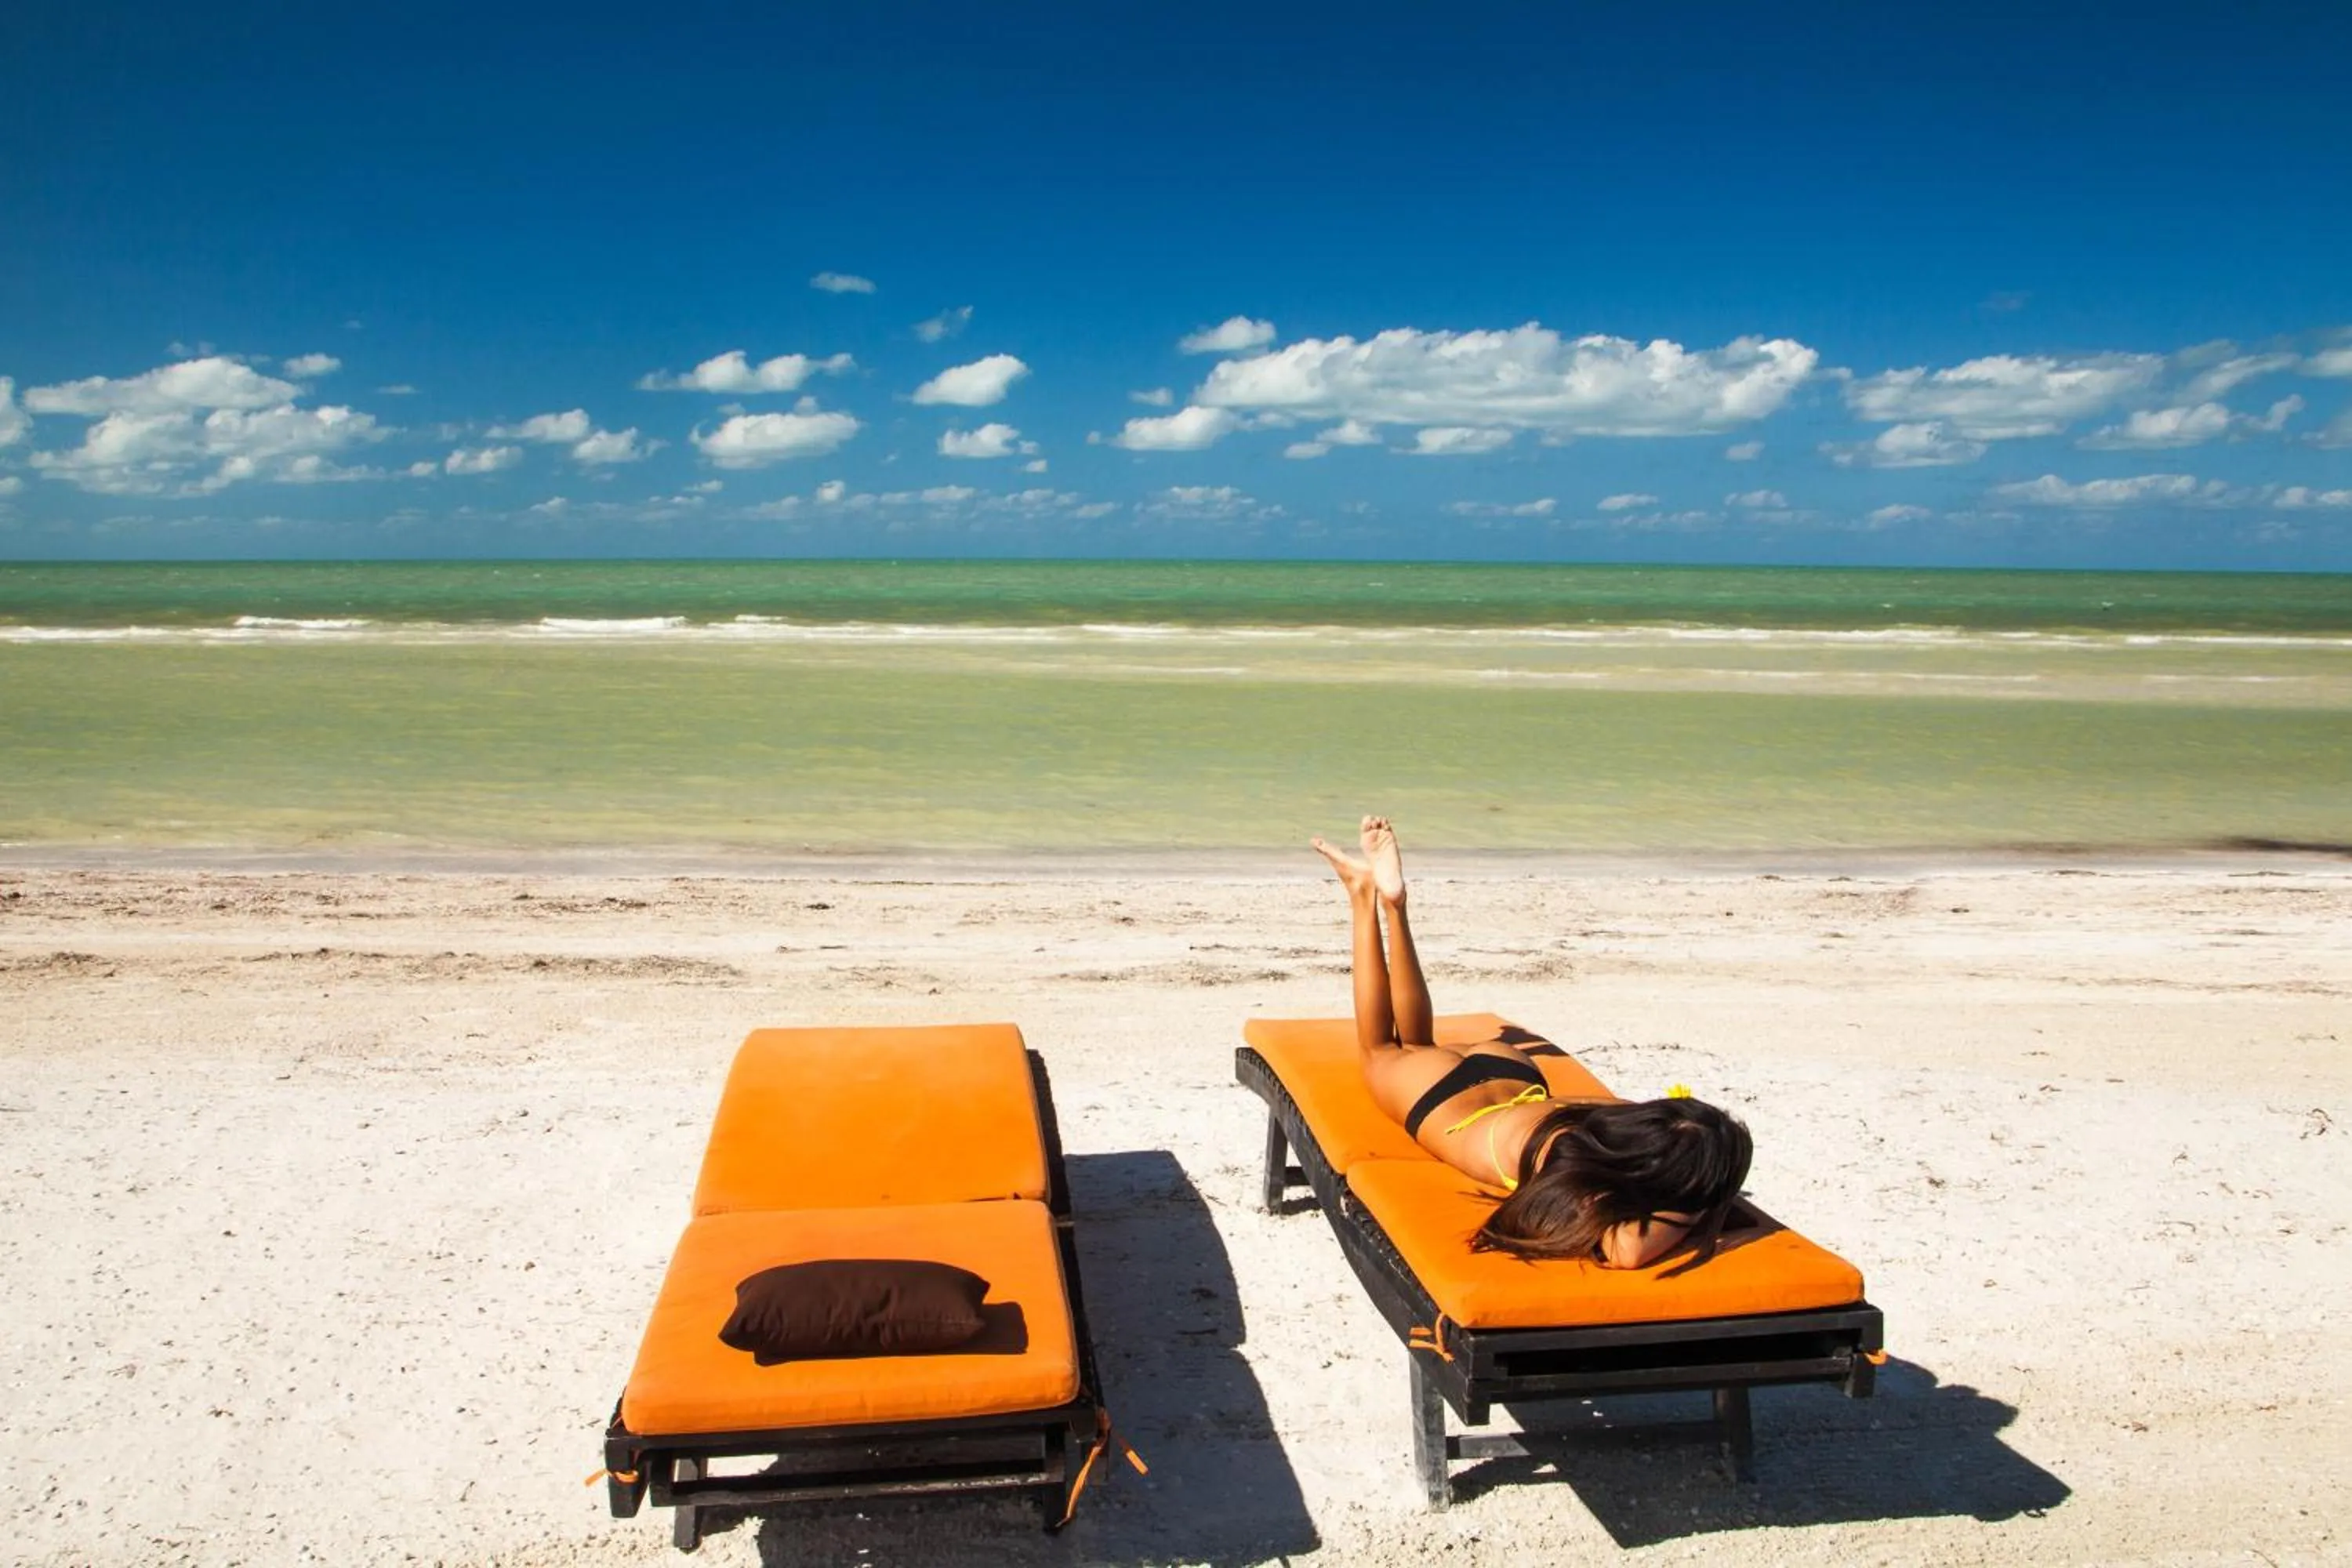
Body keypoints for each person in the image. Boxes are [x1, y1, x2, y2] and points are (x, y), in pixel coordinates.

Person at [1312, 816, 1751, 1272]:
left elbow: (1685, 1142)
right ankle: (1364, 898)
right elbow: (1629, 1252)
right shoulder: (1574, 1174)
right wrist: (1702, 1203)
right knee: (1381, 1047)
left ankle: (1396, 905)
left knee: (1419, 1041)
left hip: (1511, 1071)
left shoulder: (1619, 1123)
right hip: (1449, 1107)